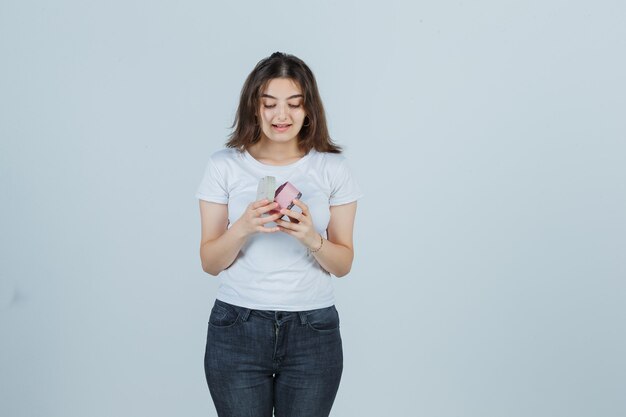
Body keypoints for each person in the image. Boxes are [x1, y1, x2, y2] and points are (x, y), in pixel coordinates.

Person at [195, 52, 363, 417]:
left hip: (313, 330)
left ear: (308, 110)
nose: (280, 115)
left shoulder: (333, 168)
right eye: (269, 104)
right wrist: (243, 227)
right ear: (254, 108)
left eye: (293, 104)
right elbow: (210, 263)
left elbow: (343, 264)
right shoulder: (224, 165)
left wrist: (310, 237)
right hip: (237, 326)